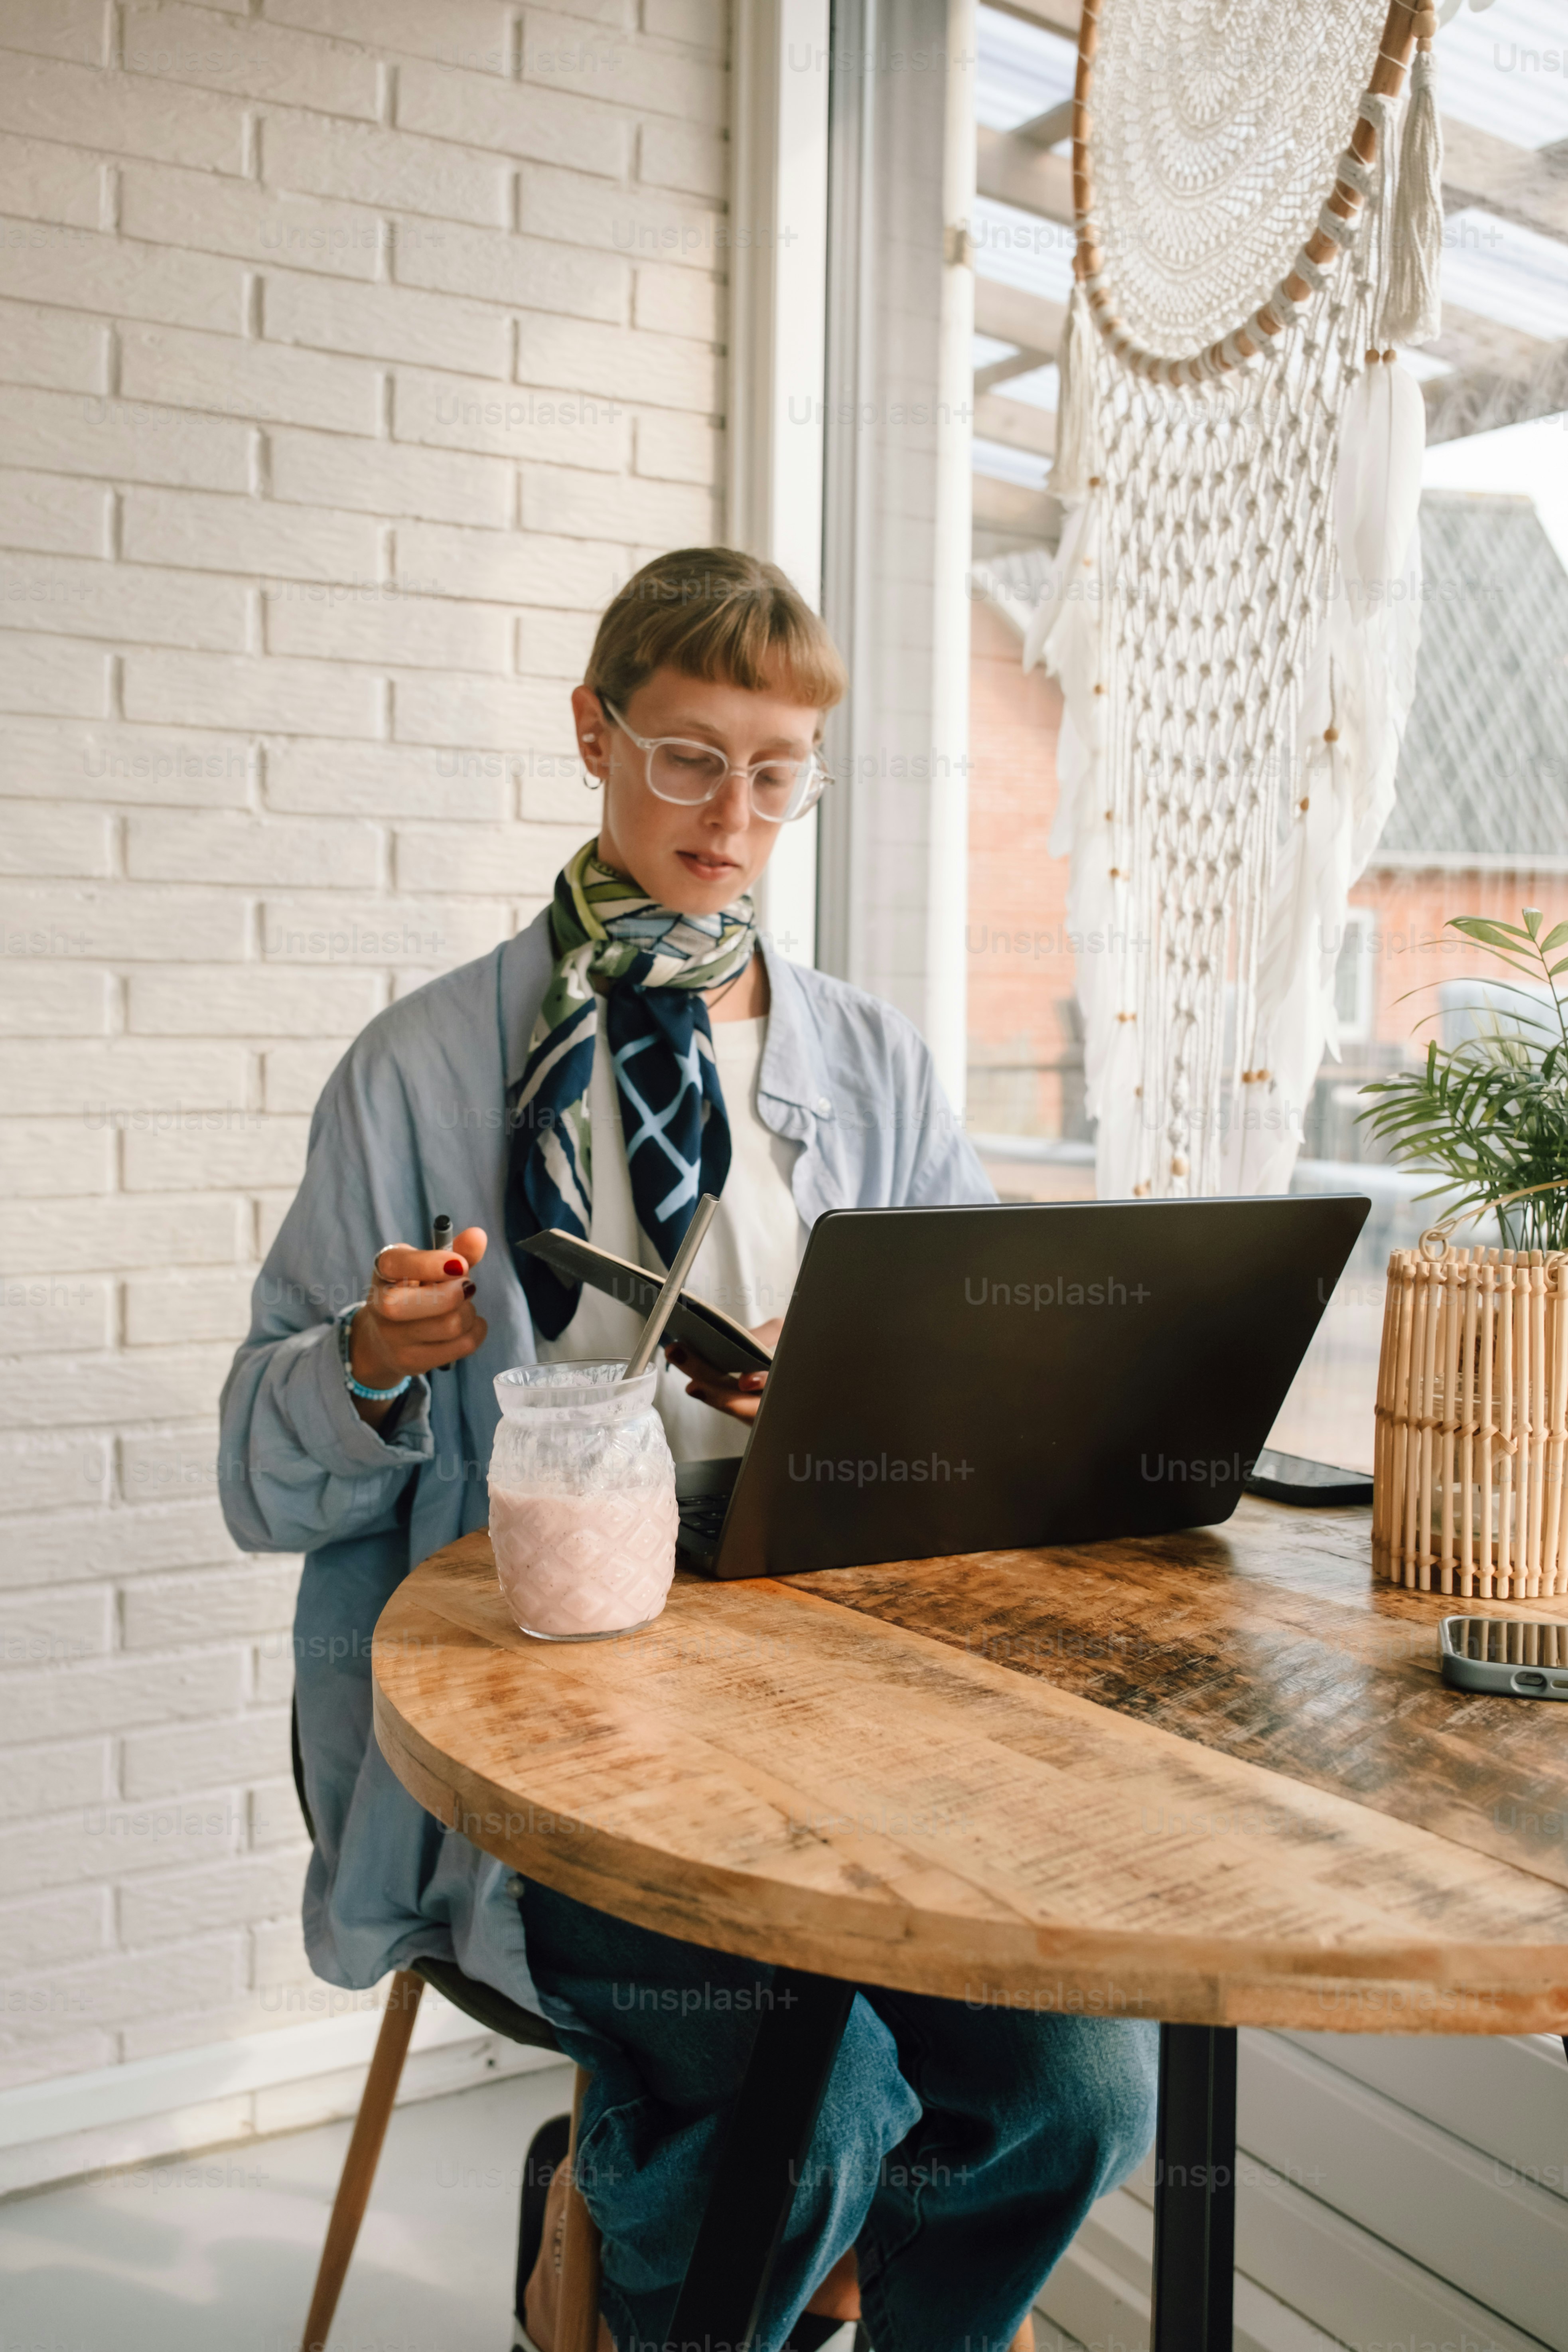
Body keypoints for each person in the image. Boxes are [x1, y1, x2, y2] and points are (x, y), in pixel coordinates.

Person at [219, 547, 1156, 2352]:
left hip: (839, 1695)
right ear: (592, 732)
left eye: (776, 773)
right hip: (553, 1712)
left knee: (1084, 2095)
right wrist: (368, 1357)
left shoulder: (868, 1062)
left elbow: (979, 1398)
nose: (731, 818)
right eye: (684, 759)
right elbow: (262, 1479)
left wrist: (869, 1384)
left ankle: (743, 2258)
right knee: (805, 2101)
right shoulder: (418, 1067)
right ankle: (698, 2247)